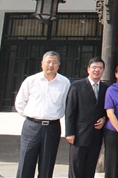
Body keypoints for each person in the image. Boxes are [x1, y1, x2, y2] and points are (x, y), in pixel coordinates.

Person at [15, 50, 71, 178]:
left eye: (54, 62)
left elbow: (65, 105)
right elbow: (20, 103)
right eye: (48, 62)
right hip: (31, 126)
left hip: (52, 127)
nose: (51, 65)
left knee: (47, 165)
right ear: (42, 63)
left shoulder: (64, 82)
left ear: (59, 65)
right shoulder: (31, 80)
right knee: (26, 162)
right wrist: (32, 117)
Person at [65, 56, 108, 178]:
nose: (97, 70)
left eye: (100, 68)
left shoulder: (105, 88)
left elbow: (107, 109)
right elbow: (70, 111)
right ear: (88, 69)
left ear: (103, 70)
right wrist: (70, 132)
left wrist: (104, 118)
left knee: (90, 169)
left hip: (96, 135)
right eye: (94, 67)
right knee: (76, 169)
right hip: (79, 135)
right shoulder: (77, 86)